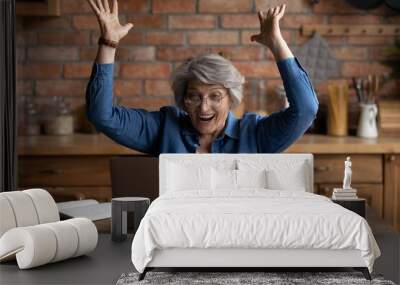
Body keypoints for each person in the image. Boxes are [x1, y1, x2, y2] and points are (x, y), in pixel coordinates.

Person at [85, 0, 318, 155]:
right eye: (194, 96)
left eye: (215, 96)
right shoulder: (164, 127)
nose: (204, 107)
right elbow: (101, 115)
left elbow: (306, 109)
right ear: (183, 99)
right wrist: (109, 43)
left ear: (231, 98)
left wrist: (277, 44)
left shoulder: (255, 134)